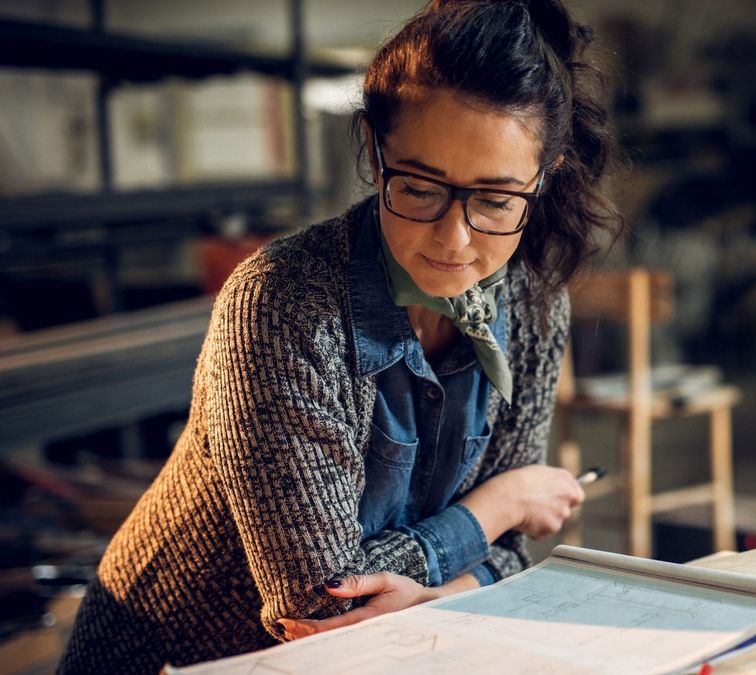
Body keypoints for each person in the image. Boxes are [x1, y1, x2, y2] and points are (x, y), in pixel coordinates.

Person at [59, 0, 620, 671]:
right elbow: (318, 605)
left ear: (544, 174)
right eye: (419, 187)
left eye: (496, 199)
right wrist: (499, 502)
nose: (454, 238)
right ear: (376, 153)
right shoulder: (282, 303)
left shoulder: (532, 304)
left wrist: (441, 589)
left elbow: (505, 555)